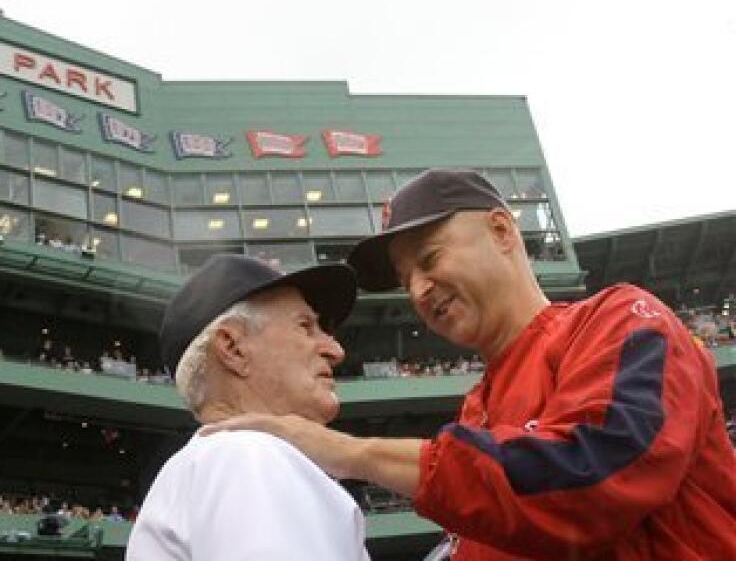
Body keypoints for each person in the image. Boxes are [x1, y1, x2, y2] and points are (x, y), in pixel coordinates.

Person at [204, 169, 736, 560]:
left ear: (503, 232)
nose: (416, 288)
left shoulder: (620, 318)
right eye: (405, 276)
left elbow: (594, 476)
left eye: (430, 259)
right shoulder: (475, 413)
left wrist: (349, 451)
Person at [127, 254, 368, 560]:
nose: (335, 350)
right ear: (233, 349)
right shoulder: (248, 454)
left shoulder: (213, 463)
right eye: (305, 326)